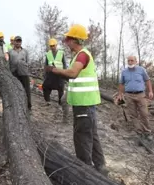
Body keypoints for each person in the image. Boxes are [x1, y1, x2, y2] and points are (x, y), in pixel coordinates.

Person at [45, 24, 108, 175]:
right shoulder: (79, 55)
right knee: (91, 134)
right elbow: (74, 77)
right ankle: (100, 167)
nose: (66, 42)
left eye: (68, 39)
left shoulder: (82, 55)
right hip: (85, 103)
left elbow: (73, 73)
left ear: (75, 40)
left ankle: (85, 171)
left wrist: (54, 70)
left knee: (82, 137)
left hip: (84, 104)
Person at [116, 56, 154, 137]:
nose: (130, 62)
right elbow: (121, 83)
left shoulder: (141, 70)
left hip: (141, 95)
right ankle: (139, 132)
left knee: (144, 113)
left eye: (132, 60)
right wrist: (120, 94)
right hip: (129, 95)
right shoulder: (124, 72)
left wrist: (150, 91)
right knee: (133, 115)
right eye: (128, 61)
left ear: (136, 61)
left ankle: (147, 131)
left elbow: (147, 80)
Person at [8, 36, 31, 110]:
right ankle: (16, 106)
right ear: (14, 42)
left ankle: (28, 106)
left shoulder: (25, 51)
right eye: (17, 41)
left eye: (19, 41)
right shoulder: (10, 52)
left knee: (26, 89)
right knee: (15, 89)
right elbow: (8, 62)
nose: (18, 43)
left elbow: (28, 62)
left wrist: (24, 67)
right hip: (14, 73)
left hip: (24, 72)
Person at [42, 38, 67, 105]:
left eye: (53, 45)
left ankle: (60, 103)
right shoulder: (48, 54)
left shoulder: (61, 53)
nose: (52, 47)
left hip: (59, 73)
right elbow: (46, 64)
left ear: (56, 45)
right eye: (51, 46)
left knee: (60, 89)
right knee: (45, 86)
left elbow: (64, 64)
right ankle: (48, 101)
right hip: (51, 74)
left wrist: (65, 73)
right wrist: (45, 73)